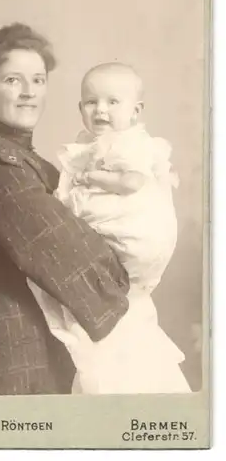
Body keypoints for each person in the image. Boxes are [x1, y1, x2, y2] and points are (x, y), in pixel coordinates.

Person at [0, 24, 129, 396]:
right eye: (12, 80)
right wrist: (130, 273)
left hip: (22, 331)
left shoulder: (15, 157)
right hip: (8, 341)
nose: (29, 93)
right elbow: (66, 253)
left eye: (38, 80)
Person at [28, 62, 191, 394]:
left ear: (135, 111)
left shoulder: (131, 145)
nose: (100, 110)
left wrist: (92, 177)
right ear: (80, 108)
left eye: (112, 102)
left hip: (130, 229)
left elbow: (131, 182)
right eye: (91, 102)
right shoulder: (90, 143)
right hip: (106, 233)